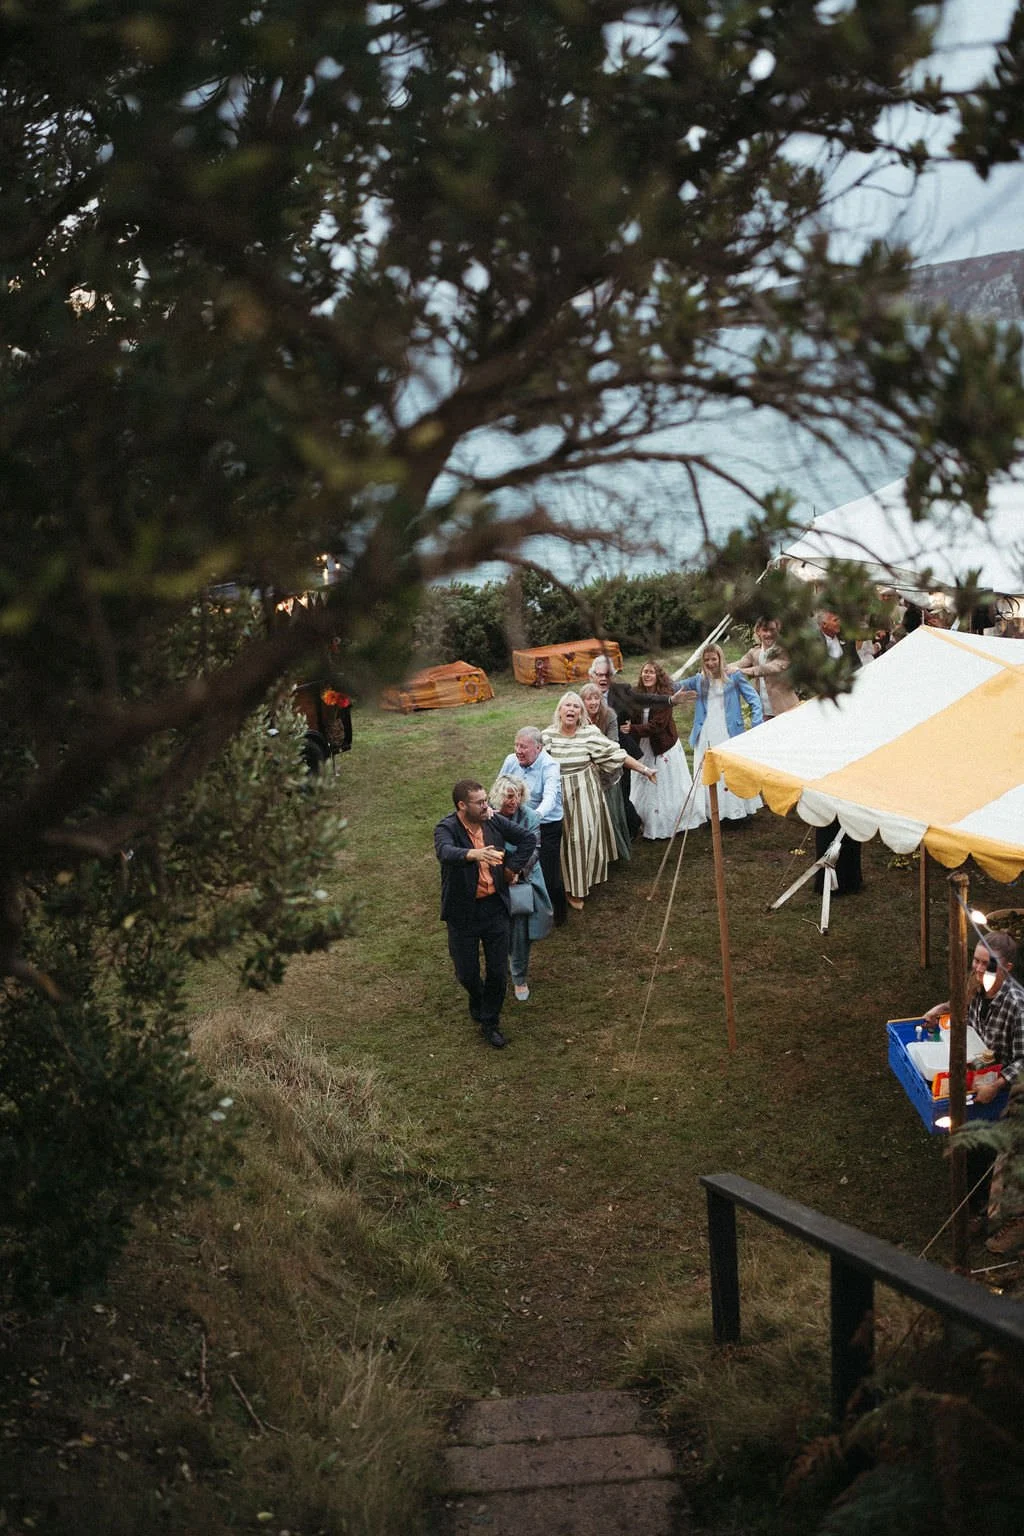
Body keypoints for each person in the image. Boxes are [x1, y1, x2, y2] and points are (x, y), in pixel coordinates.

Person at [923, 931, 1024, 1254]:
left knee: (997, 1146)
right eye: (976, 960)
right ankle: (977, 1207)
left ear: (1006, 968)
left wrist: (999, 1084)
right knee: (970, 1139)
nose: (978, 969)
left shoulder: (1018, 1006)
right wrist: (941, 1008)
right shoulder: (977, 984)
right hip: (983, 1073)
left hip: (1012, 1086)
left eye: (987, 964)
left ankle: (1007, 1217)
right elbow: (962, 1005)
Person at [434, 779, 538, 1048]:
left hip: (494, 909)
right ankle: (477, 998)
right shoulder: (446, 828)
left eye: (485, 800)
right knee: (467, 974)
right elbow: (445, 852)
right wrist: (474, 854)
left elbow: (527, 838)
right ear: (461, 806)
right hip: (463, 913)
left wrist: (512, 868)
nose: (486, 806)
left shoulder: (492, 820)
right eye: (479, 802)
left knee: (497, 970)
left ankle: (490, 1021)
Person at [541, 691, 656, 910]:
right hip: (556, 796)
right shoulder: (547, 736)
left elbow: (617, 754)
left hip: (584, 793)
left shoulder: (589, 734)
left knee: (580, 839)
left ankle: (577, 888)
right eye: (568, 705)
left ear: (581, 713)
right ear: (559, 710)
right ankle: (563, 883)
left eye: (576, 707)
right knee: (561, 841)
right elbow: (530, 764)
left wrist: (644, 769)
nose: (572, 709)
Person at [588, 653, 675, 839]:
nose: (603, 679)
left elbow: (646, 699)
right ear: (592, 675)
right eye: (599, 675)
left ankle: (631, 828)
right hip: (594, 754)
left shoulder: (622, 691)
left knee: (622, 793)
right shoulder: (585, 695)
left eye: (607, 675)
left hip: (621, 751)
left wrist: (669, 700)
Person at [675, 644, 763, 822]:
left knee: (731, 768)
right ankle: (711, 811)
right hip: (706, 731)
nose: (710, 663)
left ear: (720, 659)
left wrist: (756, 722)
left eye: (713, 659)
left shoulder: (734, 677)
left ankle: (737, 811)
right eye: (706, 660)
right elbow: (676, 686)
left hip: (729, 730)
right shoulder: (699, 680)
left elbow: (754, 699)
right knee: (709, 768)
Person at [488, 774, 553, 1003]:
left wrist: (516, 871)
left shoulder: (530, 817)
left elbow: (534, 849)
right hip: (495, 878)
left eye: (516, 796)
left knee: (520, 933)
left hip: (524, 880)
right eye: (507, 797)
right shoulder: (490, 818)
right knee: (497, 928)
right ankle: (501, 966)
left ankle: (519, 977)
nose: (512, 801)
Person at [625, 660, 705, 839]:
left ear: (658, 676)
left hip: (663, 745)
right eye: (644, 672)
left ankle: (667, 822)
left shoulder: (666, 696)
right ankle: (643, 820)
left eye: (651, 672)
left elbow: (658, 726)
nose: (647, 675)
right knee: (642, 782)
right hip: (643, 746)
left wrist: (633, 729)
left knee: (665, 783)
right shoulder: (637, 695)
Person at [813, 613, 863, 894]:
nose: (840, 623)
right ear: (823, 623)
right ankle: (827, 878)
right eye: (835, 619)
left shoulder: (848, 642)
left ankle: (851, 877)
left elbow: (858, 669)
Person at [496, 726, 567, 926]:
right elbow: (499, 786)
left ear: (538, 748)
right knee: (513, 865)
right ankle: (521, 909)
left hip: (546, 825)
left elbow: (550, 797)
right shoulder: (511, 760)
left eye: (523, 747)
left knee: (547, 872)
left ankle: (558, 914)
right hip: (515, 822)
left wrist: (534, 817)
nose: (518, 750)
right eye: (516, 745)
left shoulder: (550, 766)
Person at [579, 681, 632, 860]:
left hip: (608, 772)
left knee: (612, 815)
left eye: (596, 698)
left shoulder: (609, 715)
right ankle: (597, 855)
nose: (593, 702)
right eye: (588, 699)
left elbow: (614, 744)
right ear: (582, 702)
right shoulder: (577, 717)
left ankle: (616, 851)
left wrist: (592, 733)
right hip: (587, 773)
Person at [731, 618, 800, 721]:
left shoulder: (784, 651)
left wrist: (742, 671)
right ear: (758, 631)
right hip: (764, 712)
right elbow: (738, 664)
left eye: (772, 630)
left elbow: (768, 669)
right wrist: (716, 668)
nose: (769, 634)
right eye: (765, 630)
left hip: (786, 709)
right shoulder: (754, 652)